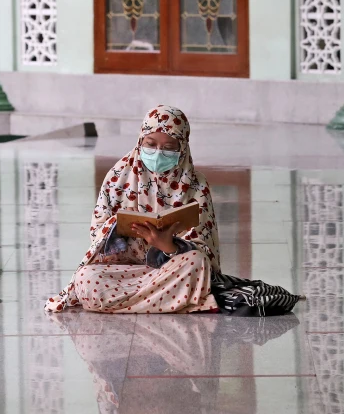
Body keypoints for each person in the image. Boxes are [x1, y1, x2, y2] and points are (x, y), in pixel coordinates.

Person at [45, 105, 220, 314]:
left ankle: (127, 304)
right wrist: (117, 232)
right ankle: (174, 301)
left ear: (183, 147)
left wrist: (168, 246)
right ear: (140, 141)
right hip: (126, 271)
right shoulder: (118, 176)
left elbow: (204, 250)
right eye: (151, 144)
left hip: (171, 269)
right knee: (86, 278)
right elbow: (97, 231)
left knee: (195, 263)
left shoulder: (196, 185)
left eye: (169, 147)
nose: (157, 153)